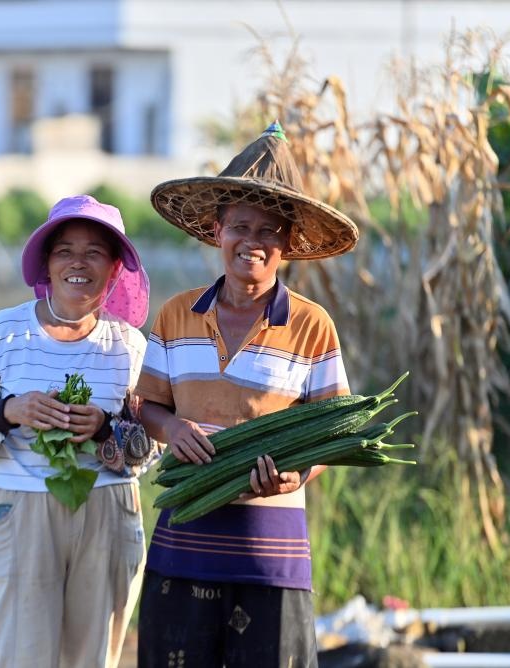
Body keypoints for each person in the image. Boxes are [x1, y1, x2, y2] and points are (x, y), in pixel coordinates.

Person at [135, 122, 360, 668]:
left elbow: (331, 435)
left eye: (269, 230)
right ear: (217, 231)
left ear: (287, 244)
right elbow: (145, 406)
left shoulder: (312, 325)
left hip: (271, 554)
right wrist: (172, 430)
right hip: (183, 542)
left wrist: (296, 474)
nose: (252, 242)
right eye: (240, 226)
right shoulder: (175, 315)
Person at [0, 194, 158, 668]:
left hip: (107, 506)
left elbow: (150, 451)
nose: (78, 263)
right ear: (47, 263)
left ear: (113, 268)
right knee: (19, 653)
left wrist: (104, 429)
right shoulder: (5, 332)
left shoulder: (129, 346)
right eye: (65, 250)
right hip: (20, 507)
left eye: (94, 252)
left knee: (92, 657)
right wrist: (9, 412)